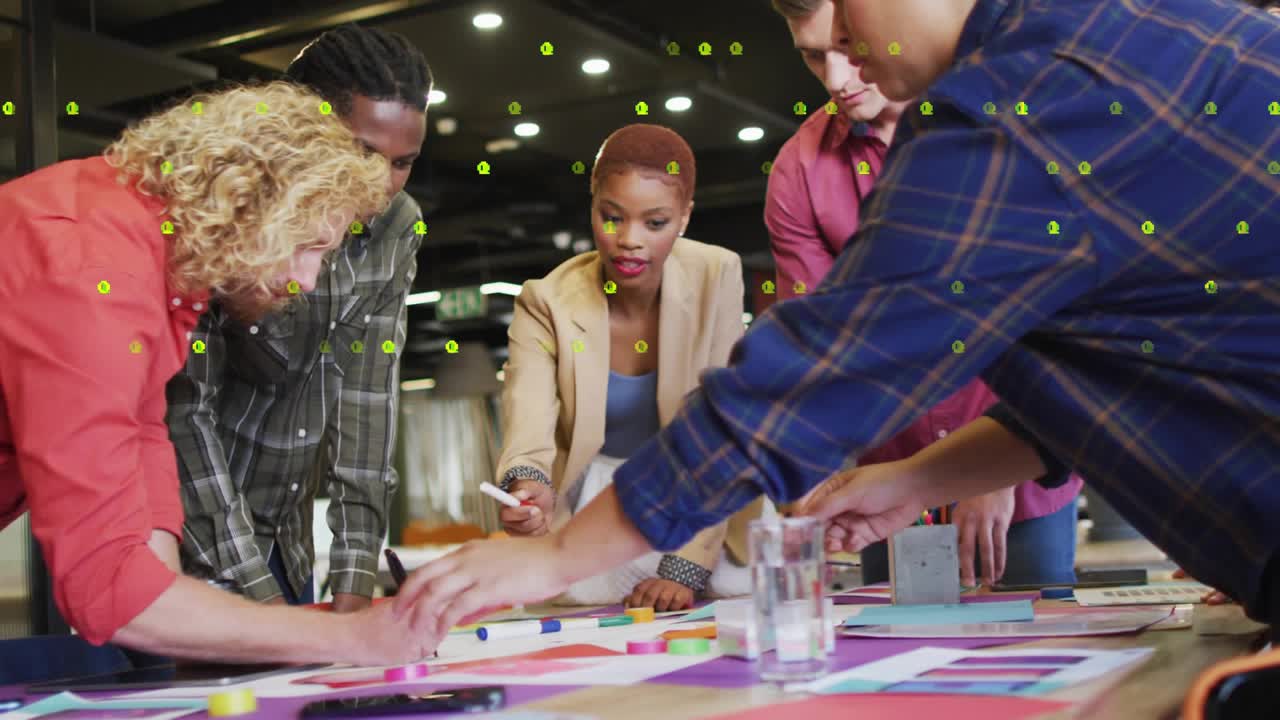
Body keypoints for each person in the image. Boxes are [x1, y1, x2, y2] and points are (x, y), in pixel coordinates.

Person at [391, 0, 1280, 638]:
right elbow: (1114, 372)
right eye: (818, 50)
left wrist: (551, 562)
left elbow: (808, 380)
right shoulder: (1141, 27)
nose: (843, 64)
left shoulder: (1010, 110)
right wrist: (912, 482)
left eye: (846, 25)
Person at [0, 81, 437, 671]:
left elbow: (144, 497)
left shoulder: (159, 264)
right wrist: (351, 639)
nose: (307, 281)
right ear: (249, 204)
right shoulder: (94, 269)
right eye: (307, 246)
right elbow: (110, 595)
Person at [766, 0, 1080, 588]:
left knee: (1041, 656)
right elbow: (823, 343)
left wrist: (989, 471)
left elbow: (1052, 311)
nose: (835, 81)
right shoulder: (800, 170)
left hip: (1021, 458)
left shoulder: (1011, 115)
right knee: (897, 669)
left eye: (846, 46)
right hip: (886, 484)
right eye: (812, 56)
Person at [167, 24, 430, 613]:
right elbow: (185, 415)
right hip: (180, 546)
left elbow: (367, 399)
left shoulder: (396, 226)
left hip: (286, 548)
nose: (380, 186)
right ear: (299, 125)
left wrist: (355, 578)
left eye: (403, 163)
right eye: (363, 153)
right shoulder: (219, 202)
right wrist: (263, 606)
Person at [494, 124, 764, 611]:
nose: (628, 241)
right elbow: (527, 415)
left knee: (728, 593)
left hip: (699, 494)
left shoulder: (716, 274)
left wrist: (684, 566)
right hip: (596, 501)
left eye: (654, 223)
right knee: (576, 606)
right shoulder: (545, 300)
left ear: (684, 217)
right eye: (611, 217)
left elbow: (718, 431)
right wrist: (527, 486)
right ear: (592, 205)